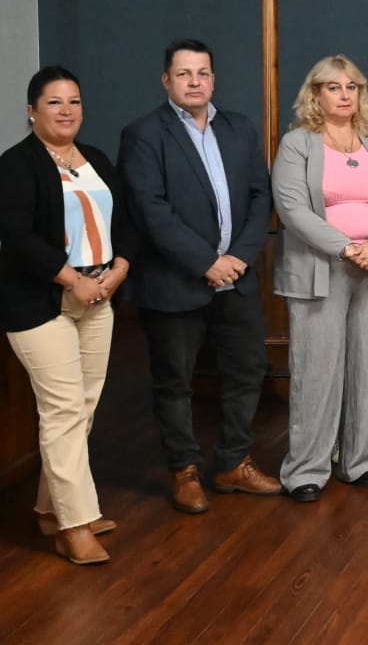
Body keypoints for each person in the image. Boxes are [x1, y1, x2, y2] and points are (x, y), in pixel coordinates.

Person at [118, 40, 279, 515]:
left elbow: (260, 196)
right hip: (175, 281)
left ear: (213, 78)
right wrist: (207, 261)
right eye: (184, 74)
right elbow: (150, 211)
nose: (194, 82)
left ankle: (233, 462)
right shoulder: (144, 134)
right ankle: (184, 470)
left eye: (202, 73)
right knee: (175, 381)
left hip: (236, 277)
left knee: (247, 369)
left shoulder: (239, 128)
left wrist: (239, 257)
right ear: (166, 81)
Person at [0, 66, 135, 564]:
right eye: (54, 102)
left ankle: (53, 509)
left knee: (84, 408)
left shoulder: (95, 160)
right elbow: (19, 238)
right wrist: (73, 280)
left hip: (100, 296)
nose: (66, 110)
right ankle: (75, 525)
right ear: (32, 111)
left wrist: (119, 269)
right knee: (64, 410)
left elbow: (125, 220)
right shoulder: (14, 166)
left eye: (74, 101)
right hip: (40, 302)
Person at [271, 55, 368, 502]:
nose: (345, 94)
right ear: (316, 94)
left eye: (352, 87)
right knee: (316, 372)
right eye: (334, 87)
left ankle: (361, 461)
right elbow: (292, 208)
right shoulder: (298, 143)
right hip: (320, 270)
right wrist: (347, 247)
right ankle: (306, 470)